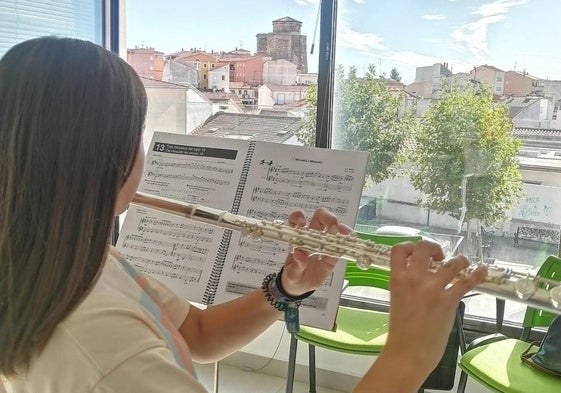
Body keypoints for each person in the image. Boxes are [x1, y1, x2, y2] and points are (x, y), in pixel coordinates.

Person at [0, 36, 487, 393]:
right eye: (138, 135)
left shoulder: (64, 261)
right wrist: (410, 355)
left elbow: (198, 335)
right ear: (111, 159)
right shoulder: (107, 353)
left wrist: (288, 286)